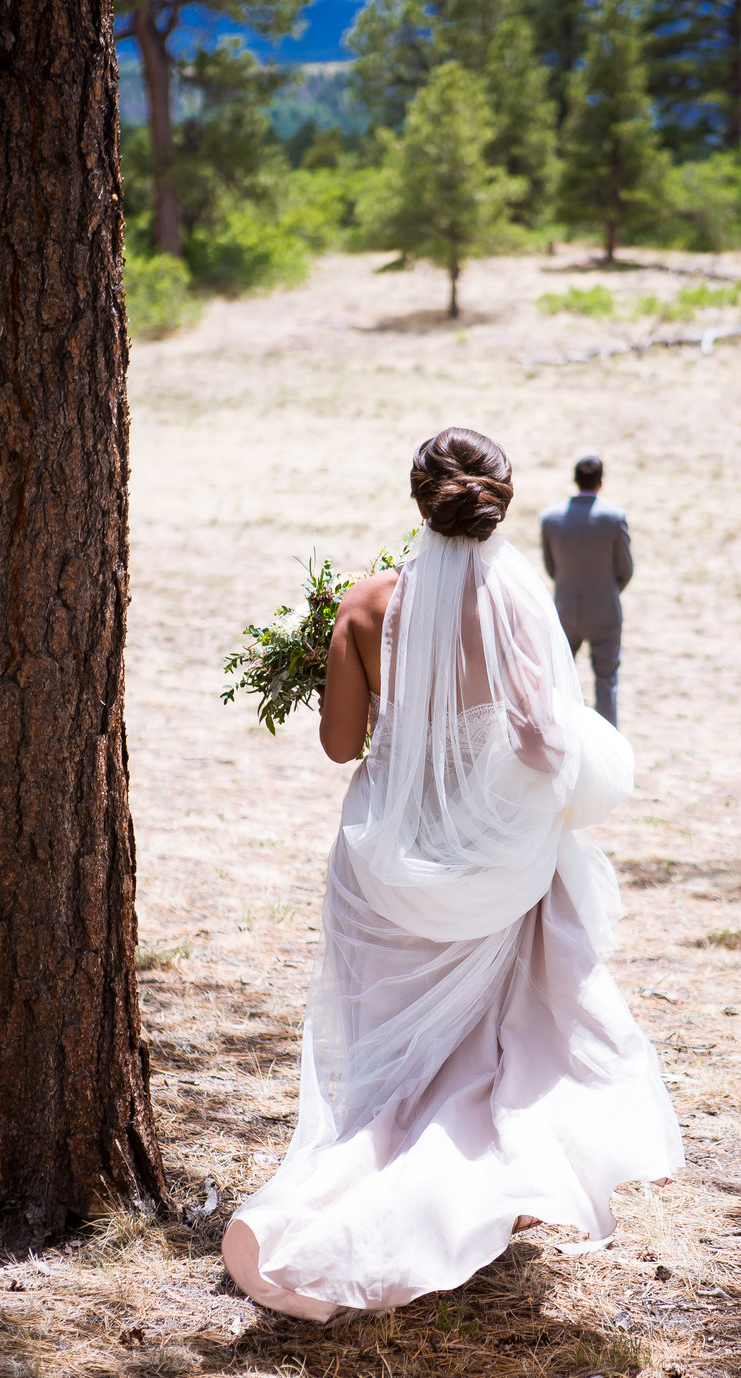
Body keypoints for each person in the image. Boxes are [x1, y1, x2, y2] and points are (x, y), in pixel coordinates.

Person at [221, 427, 682, 1322]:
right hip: (490, 866)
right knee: (489, 1040)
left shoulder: (364, 607)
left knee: (387, 1048)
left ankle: (370, 1177)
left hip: (386, 868)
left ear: (418, 498)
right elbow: (546, 741)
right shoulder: (517, 605)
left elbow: (339, 745)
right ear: (498, 498)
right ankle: (473, 1188)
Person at [540, 456, 633, 728]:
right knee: (606, 681)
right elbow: (626, 568)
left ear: (575, 479)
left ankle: (558, 734)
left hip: (565, 609)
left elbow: (551, 567)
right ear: (600, 482)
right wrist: (609, 590)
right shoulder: (614, 518)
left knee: (559, 680)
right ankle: (607, 742)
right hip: (604, 609)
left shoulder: (551, 518)